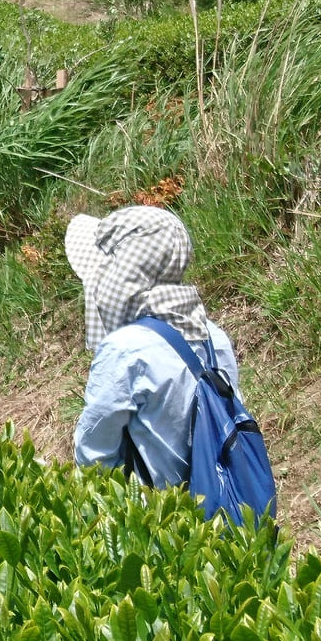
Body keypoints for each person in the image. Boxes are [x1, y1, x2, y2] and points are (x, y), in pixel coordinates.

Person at [66, 205, 241, 488]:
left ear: (121, 273)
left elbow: (94, 456)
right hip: (221, 500)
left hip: (159, 517)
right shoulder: (212, 335)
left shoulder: (125, 350)